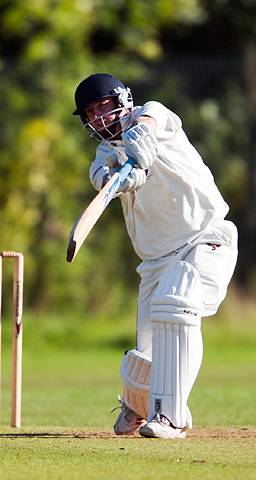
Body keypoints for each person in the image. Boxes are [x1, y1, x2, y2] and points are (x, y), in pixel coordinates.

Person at [72, 73, 238, 439]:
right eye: (91, 112)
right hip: (154, 260)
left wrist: (140, 145)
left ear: (124, 101)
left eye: (105, 105)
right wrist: (119, 177)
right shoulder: (104, 154)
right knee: (144, 352)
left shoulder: (153, 114)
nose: (101, 116)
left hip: (204, 236)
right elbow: (101, 176)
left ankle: (170, 418)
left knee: (176, 305)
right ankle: (139, 405)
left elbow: (149, 124)